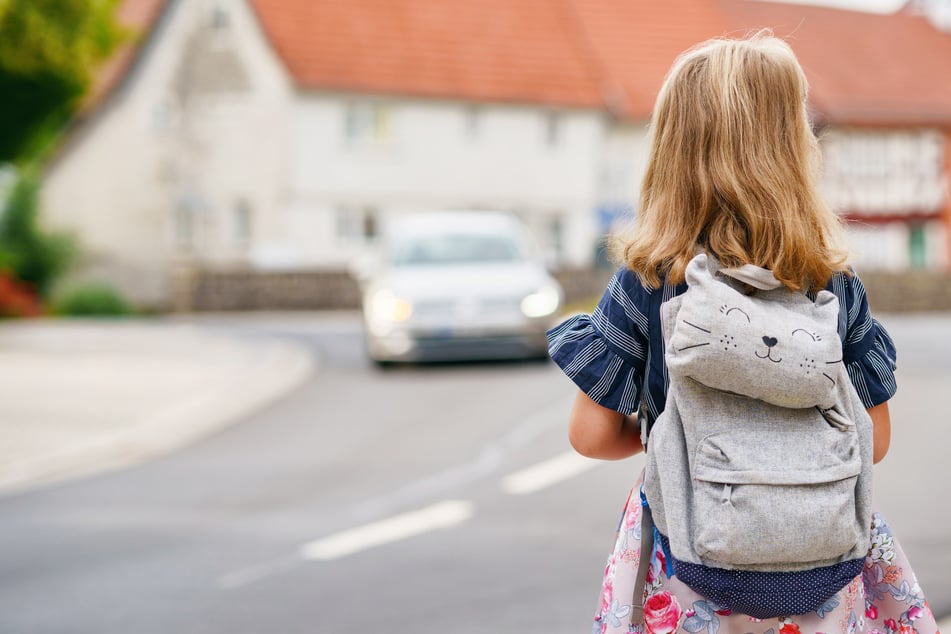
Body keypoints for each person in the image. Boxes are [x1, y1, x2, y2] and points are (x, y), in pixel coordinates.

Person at [546, 32, 939, 634]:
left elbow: (590, 434)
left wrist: (666, 439)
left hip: (691, 559)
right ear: (795, 150)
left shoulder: (653, 281)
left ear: (671, 151)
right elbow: (873, 440)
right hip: (821, 556)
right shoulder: (830, 285)